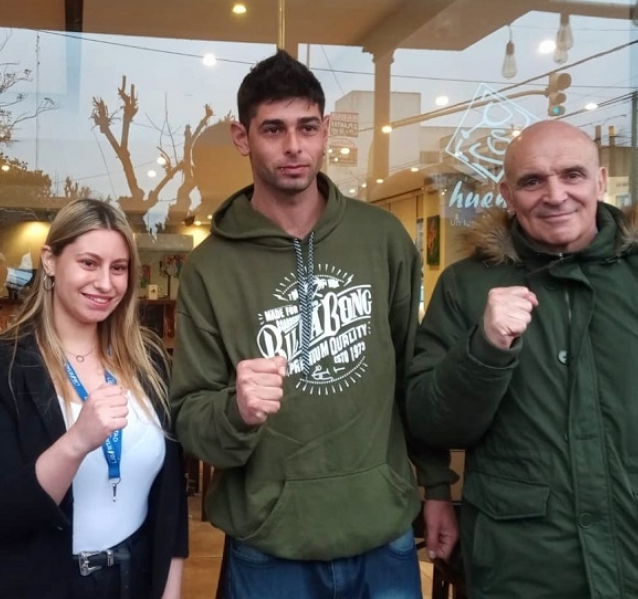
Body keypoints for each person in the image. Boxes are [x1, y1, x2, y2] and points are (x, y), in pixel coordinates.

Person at [406, 119, 638, 598]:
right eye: (533, 181)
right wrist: (485, 350)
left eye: (572, 175)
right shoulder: (468, 285)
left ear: (600, 181)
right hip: (525, 572)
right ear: (507, 194)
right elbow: (430, 422)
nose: (555, 195)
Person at [169, 49, 458, 598]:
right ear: (241, 137)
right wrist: (235, 410)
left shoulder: (382, 239)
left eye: (306, 127)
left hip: (382, 529)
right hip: (268, 542)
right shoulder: (210, 267)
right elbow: (190, 414)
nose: (293, 146)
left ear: (325, 131)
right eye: (273, 129)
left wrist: (437, 485)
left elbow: (413, 375)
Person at [0, 198, 188, 599]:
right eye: (89, 263)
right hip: (35, 588)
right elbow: (0, 510)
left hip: (133, 579)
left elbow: (170, 499)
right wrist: (78, 441)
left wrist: (171, 591)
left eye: (118, 268)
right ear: (50, 261)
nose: (106, 283)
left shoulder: (146, 359)